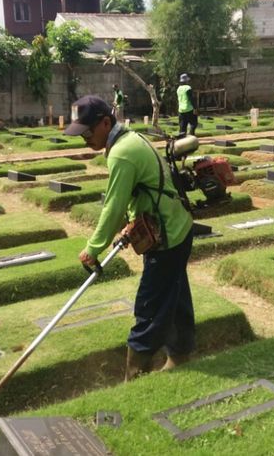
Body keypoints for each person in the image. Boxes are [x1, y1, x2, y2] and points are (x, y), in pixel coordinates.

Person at [64, 95, 195, 381]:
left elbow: (113, 206)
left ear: (105, 123)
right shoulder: (129, 140)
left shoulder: (121, 153)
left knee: (149, 305)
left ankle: (135, 374)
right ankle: (180, 355)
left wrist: (93, 248)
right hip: (177, 227)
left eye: (87, 131)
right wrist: (130, 224)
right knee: (176, 294)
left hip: (167, 237)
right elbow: (136, 196)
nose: (84, 137)